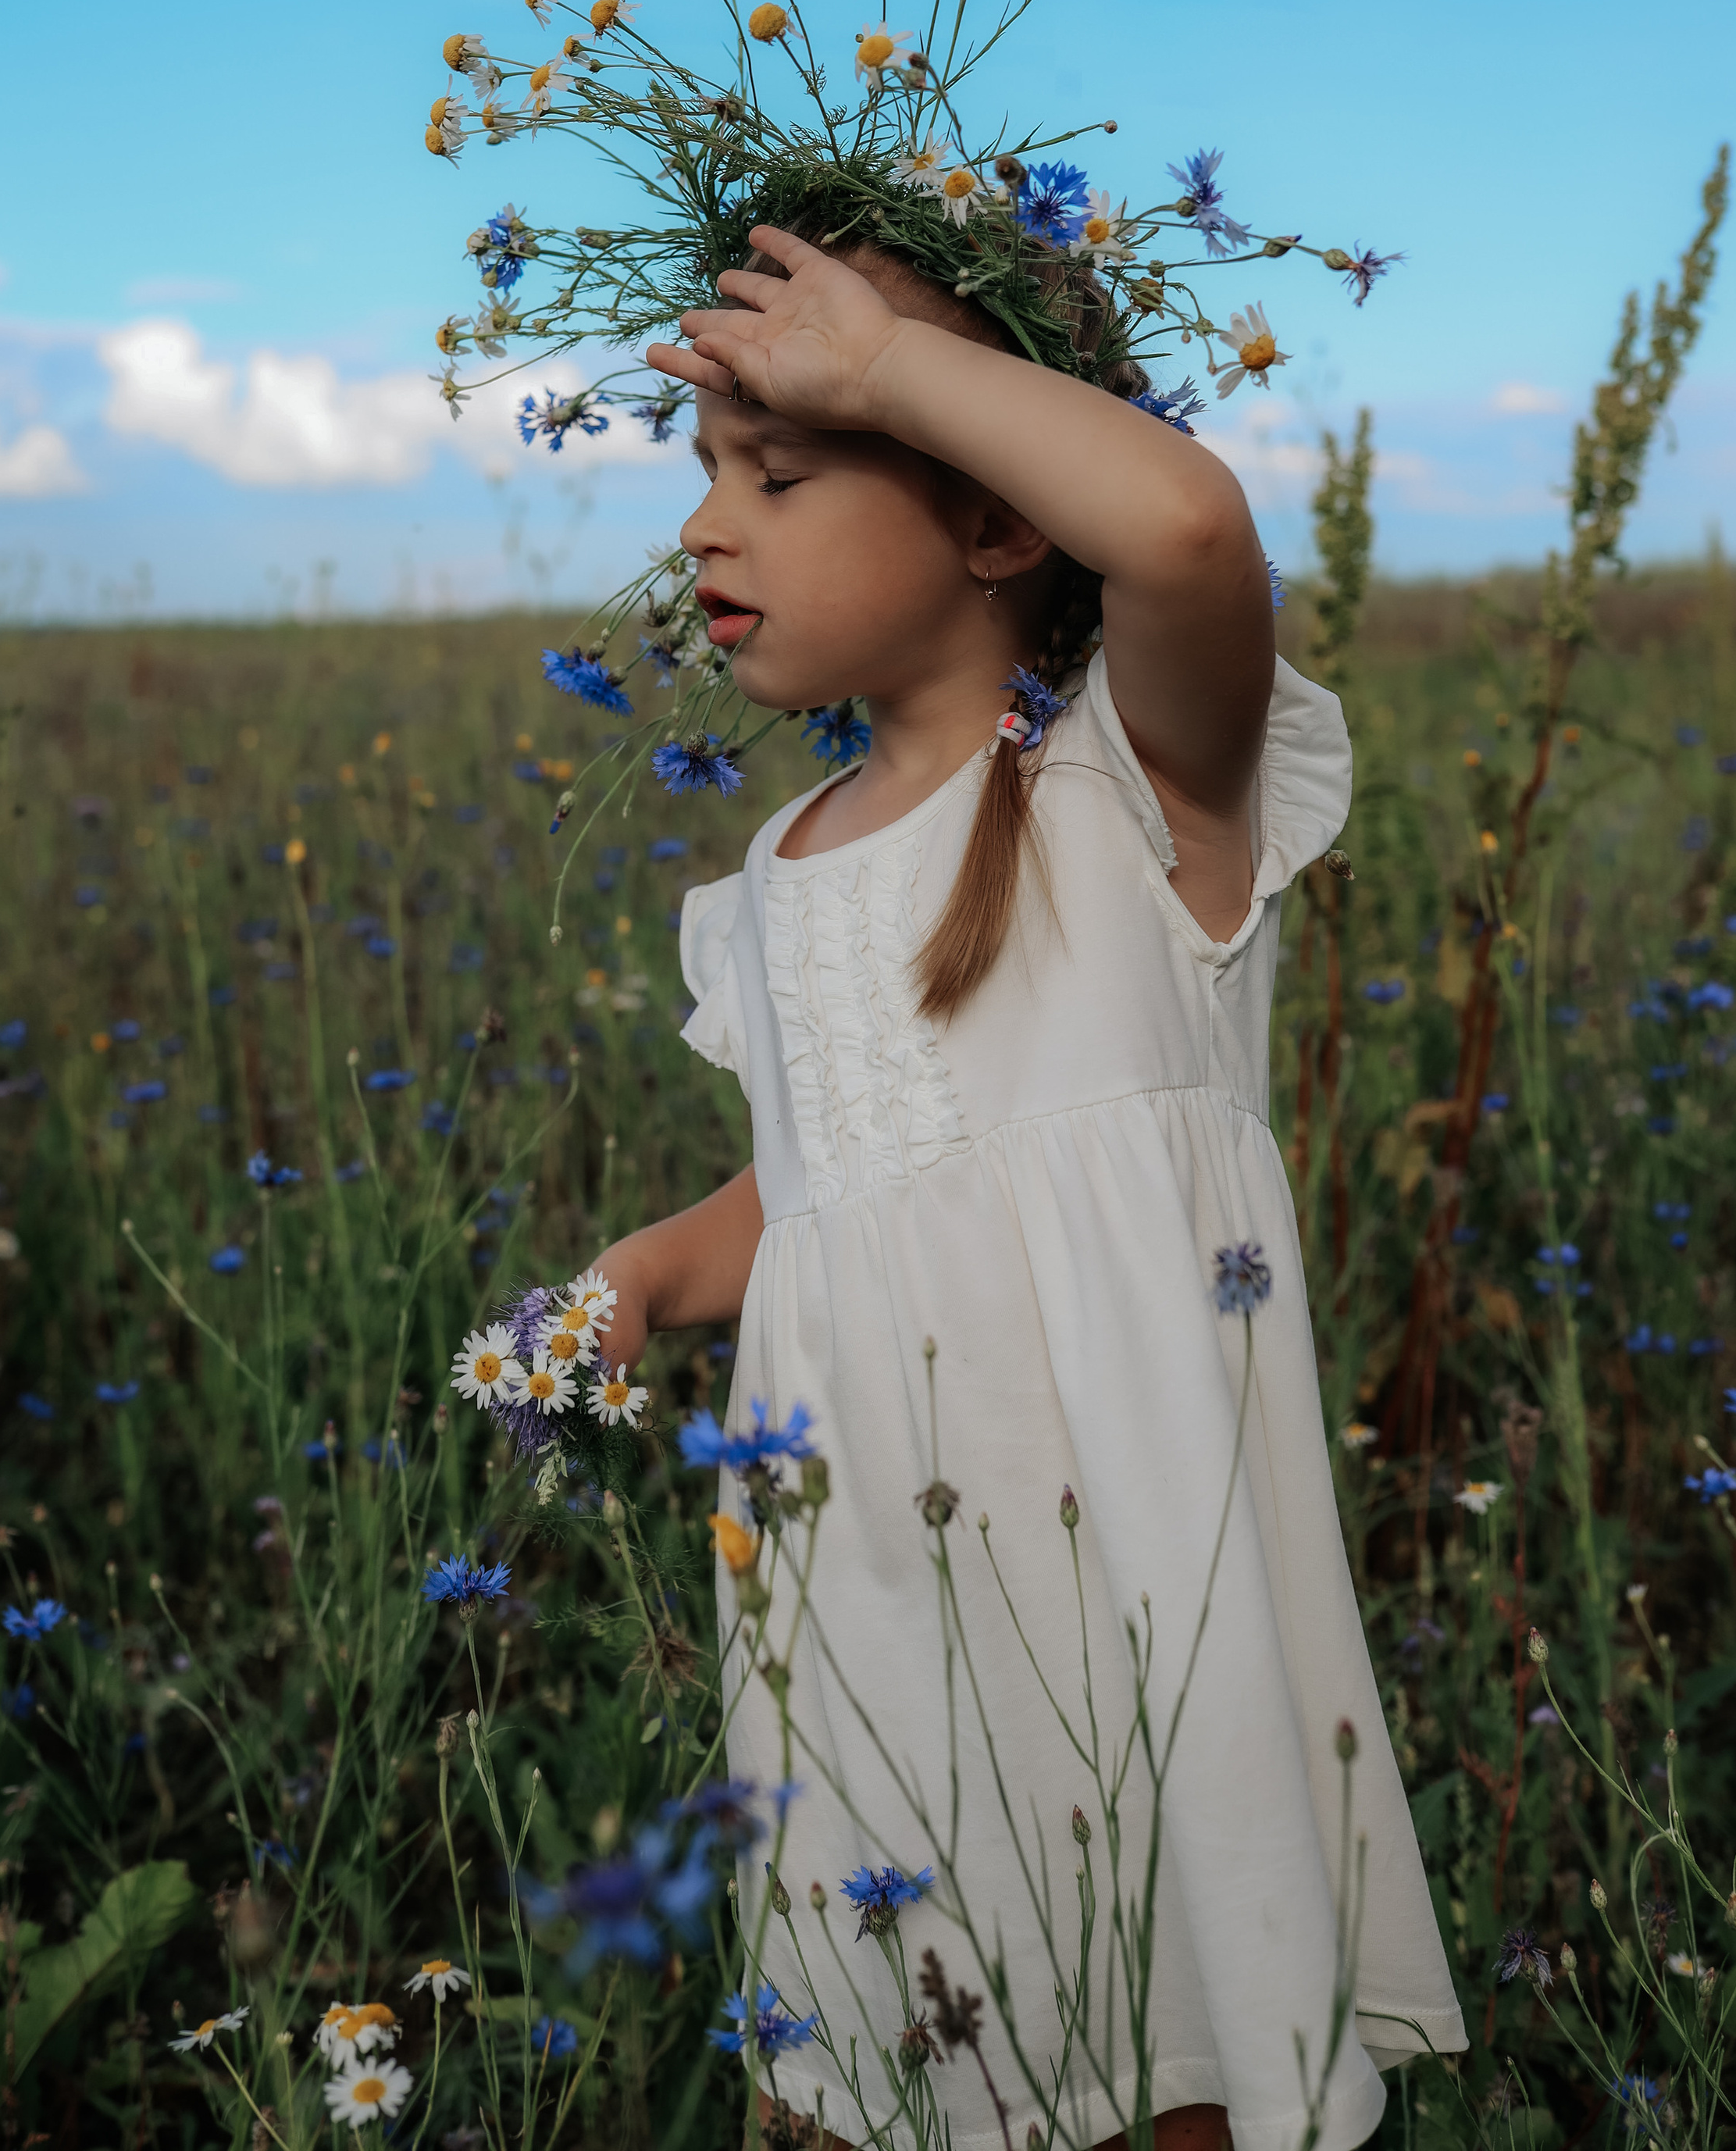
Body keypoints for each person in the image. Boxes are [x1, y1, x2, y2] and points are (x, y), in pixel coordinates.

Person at [589, 223, 1466, 2151]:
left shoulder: (1130, 787)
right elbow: (817, 1192)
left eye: (782, 473)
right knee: (935, 2012)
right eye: (704, 482)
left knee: (1167, 2001)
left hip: (1131, 1568)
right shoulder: (770, 875)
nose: (707, 536)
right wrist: (654, 1272)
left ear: (994, 522)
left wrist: (884, 364)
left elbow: (1177, 531)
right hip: (880, 1584)